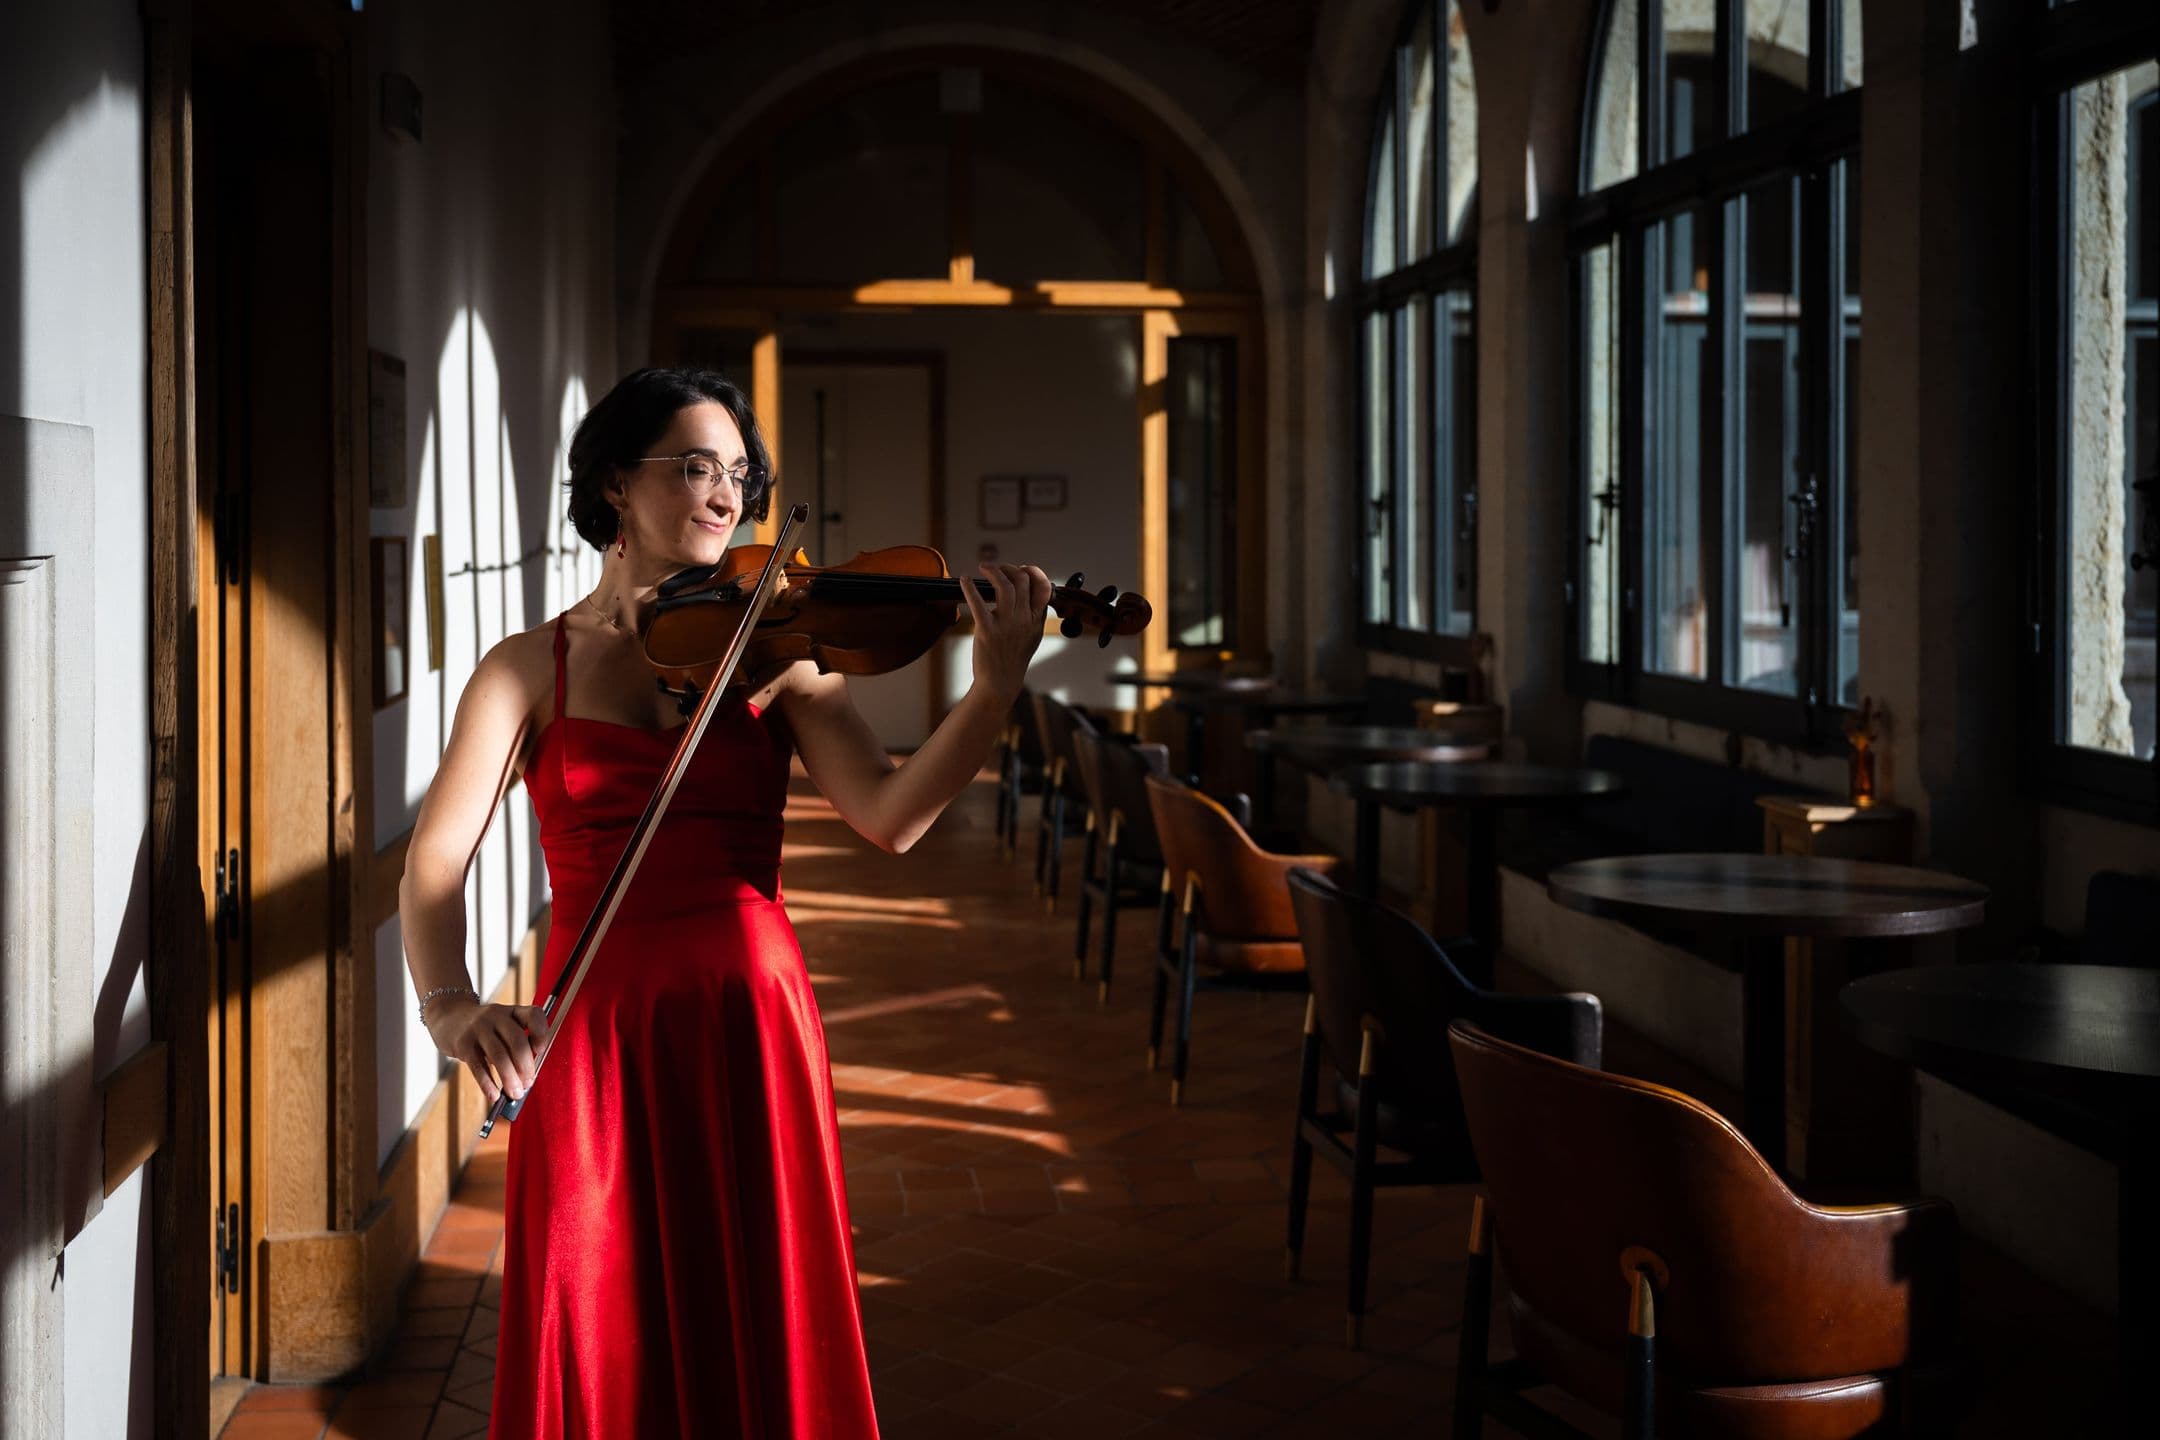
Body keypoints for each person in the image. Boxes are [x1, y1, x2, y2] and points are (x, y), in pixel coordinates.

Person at [396, 367, 1051, 1437]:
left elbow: (891, 817)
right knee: (594, 1297)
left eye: (740, 476)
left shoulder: (780, 655)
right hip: (595, 1037)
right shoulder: (524, 671)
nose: (724, 498)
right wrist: (451, 1006)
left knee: (758, 1296)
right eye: (695, 467)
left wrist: (994, 689)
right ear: (614, 479)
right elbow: (431, 865)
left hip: (753, 1022)